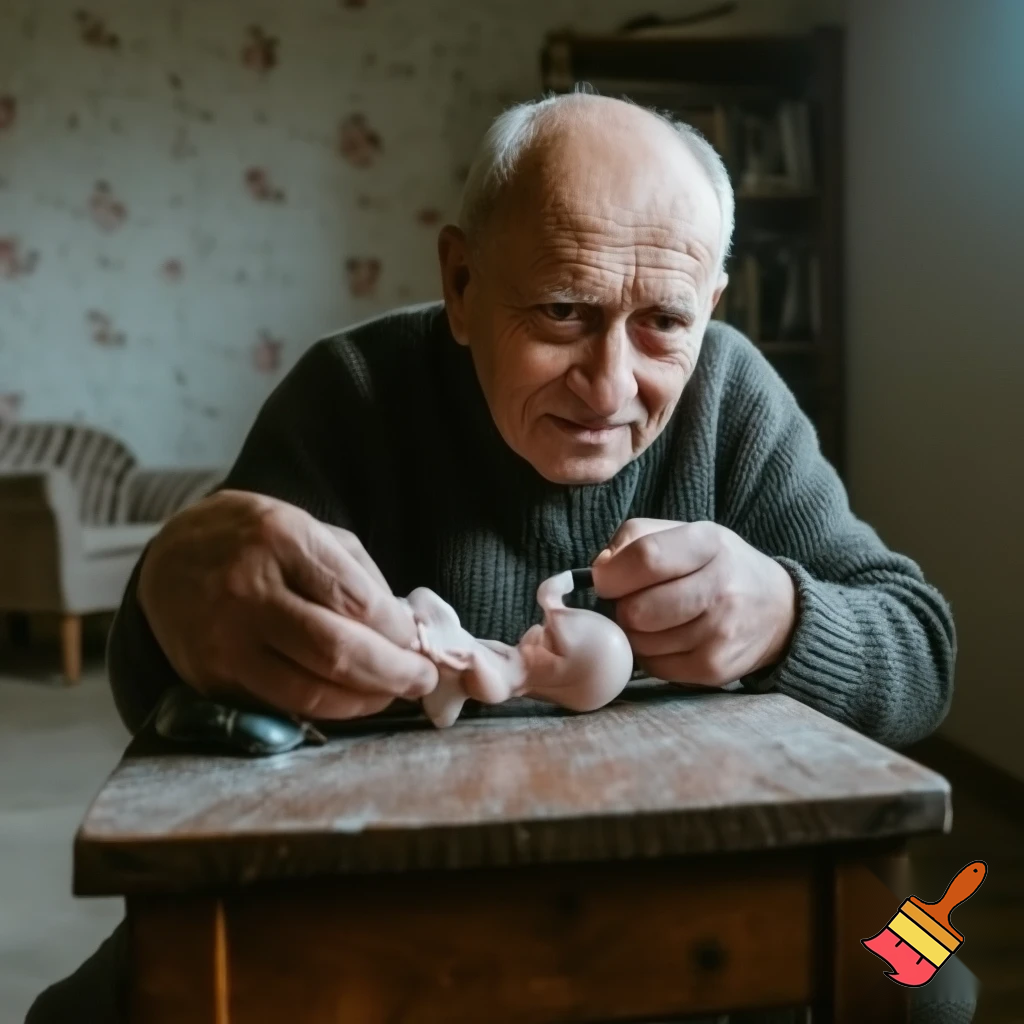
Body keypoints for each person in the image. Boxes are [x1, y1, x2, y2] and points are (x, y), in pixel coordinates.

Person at [28, 91, 968, 1024]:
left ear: (711, 305)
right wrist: (170, 591)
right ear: (463, 284)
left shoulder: (734, 394)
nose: (610, 387)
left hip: (700, 875)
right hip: (385, 888)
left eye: (664, 324)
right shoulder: (349, 395)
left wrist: (786, 615)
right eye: (563, 310)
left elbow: (924, 652)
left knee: (934, 980)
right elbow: (163, 700)